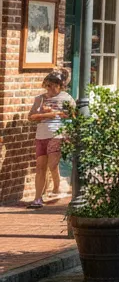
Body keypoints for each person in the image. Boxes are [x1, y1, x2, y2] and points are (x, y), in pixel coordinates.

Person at [26, 72, 71, 208]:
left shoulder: (66, 98)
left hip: (56, 134)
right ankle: (37, 198)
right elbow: (31, 116)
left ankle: (58, 185)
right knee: (40, 167)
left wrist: (58, 114)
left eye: (51, 86)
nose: (49, 89)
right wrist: (45, 114)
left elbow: (74, 114)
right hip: (41, 135)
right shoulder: (39, 99)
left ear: (59, 86)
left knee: (52, 164)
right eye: (47, 86)